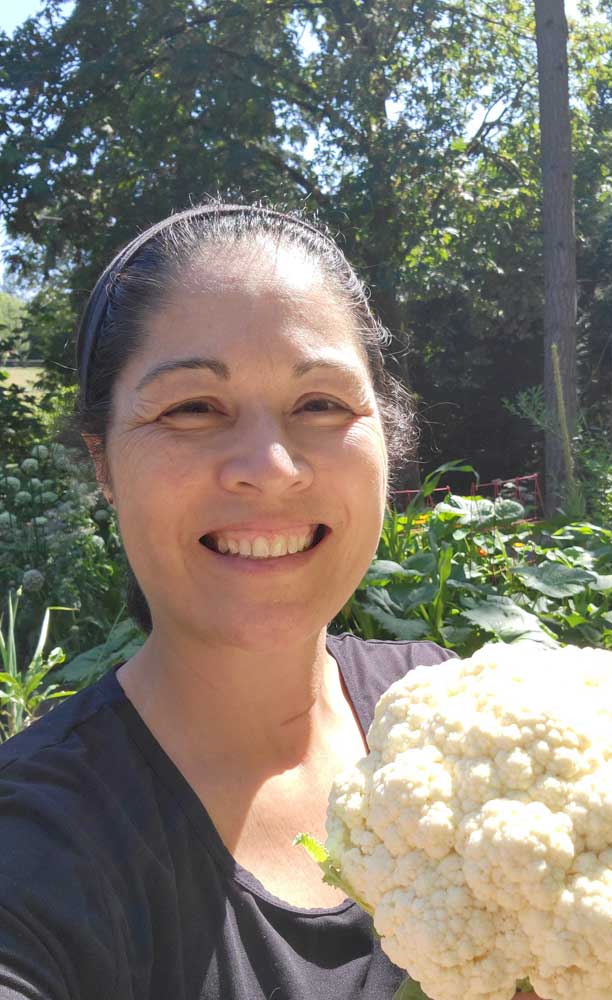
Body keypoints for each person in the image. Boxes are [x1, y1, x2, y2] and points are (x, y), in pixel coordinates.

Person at [0, 203, 545, 999]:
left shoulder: (462, 716)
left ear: (386, 436)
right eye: (192, 408)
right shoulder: (36, 846)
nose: (272, 466)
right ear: (104, 464)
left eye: (321, 404)